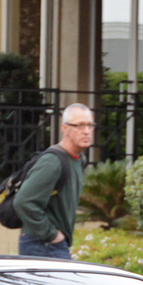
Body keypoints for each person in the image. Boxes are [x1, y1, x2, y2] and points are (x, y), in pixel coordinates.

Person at [13, 103, 92, 258]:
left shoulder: (79, 159)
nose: (87, 131)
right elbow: (23, 202)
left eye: (90, 125)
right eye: (79, 126)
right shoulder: (52, 162)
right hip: (41, 244)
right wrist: (52, 235)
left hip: (52, 244)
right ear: (65, 129)